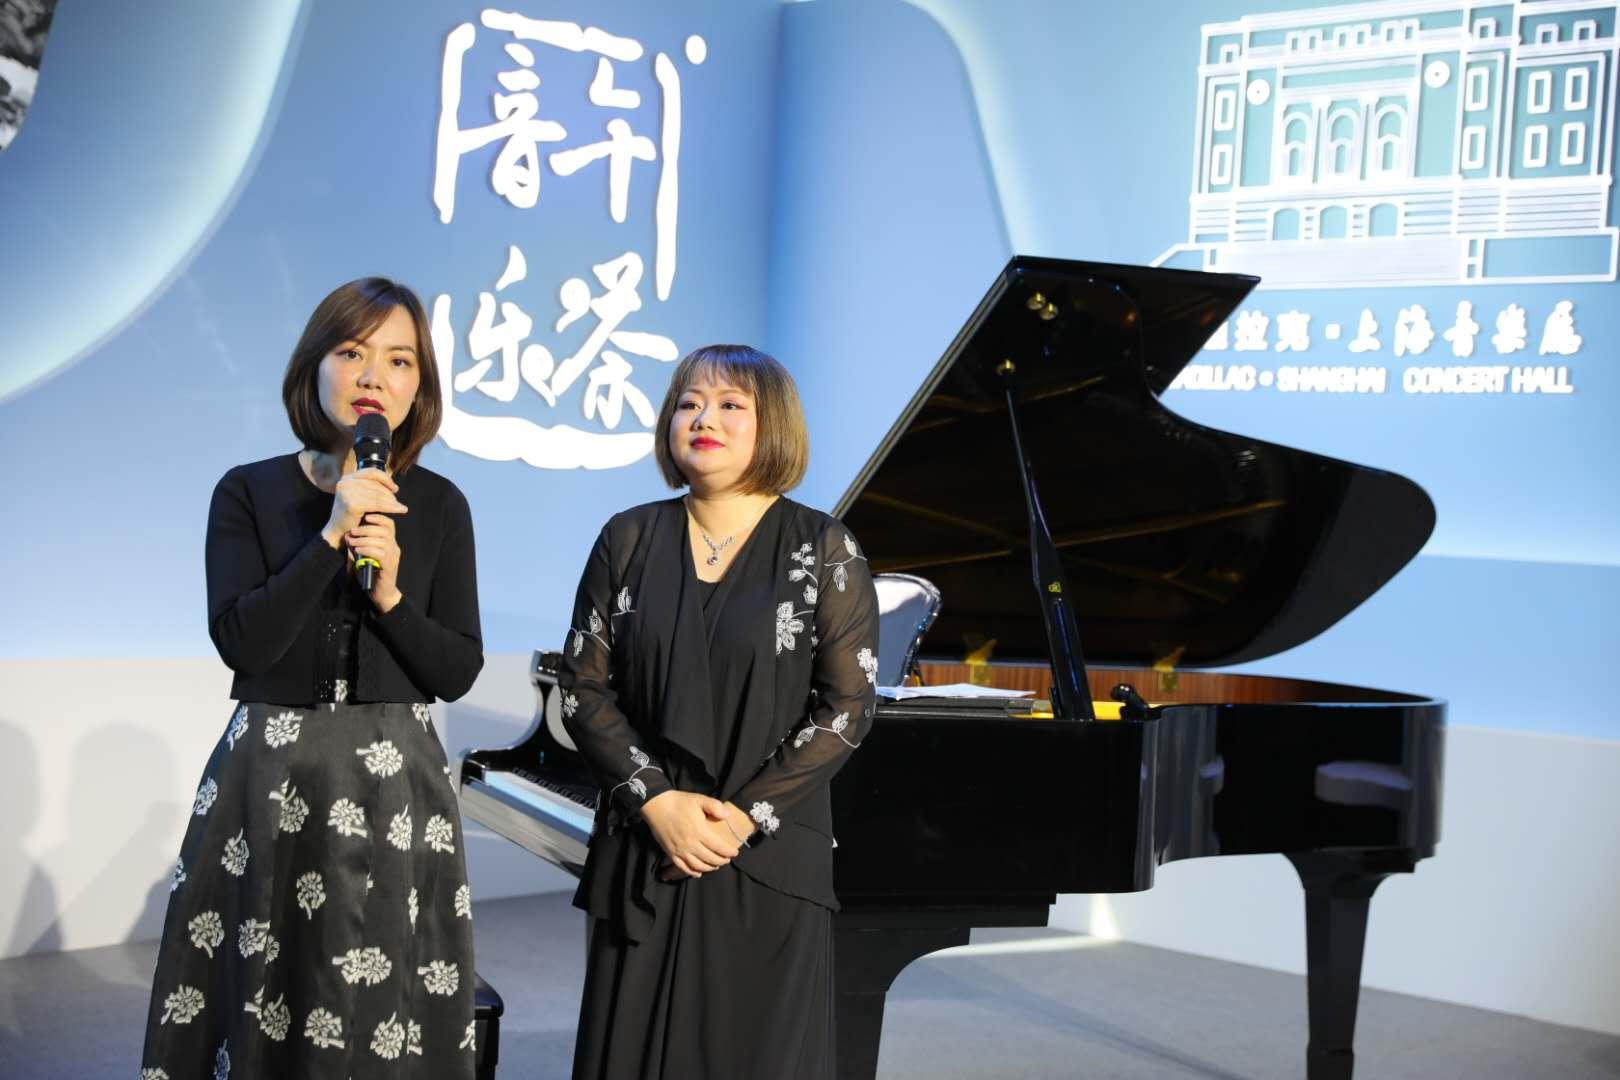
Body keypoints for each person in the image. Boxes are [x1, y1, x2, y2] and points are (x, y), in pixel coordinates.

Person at [140, 278, 484, 1079]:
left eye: (399, 360)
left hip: (397, 779)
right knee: (261, 981)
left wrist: (390, 597)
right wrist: (331, 535)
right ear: (314, 366)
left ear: (420, 387)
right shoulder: (250, 491)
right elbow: (244, 643)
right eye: (353, 351)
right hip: (274, 768)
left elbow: (456, 669)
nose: (374, 376)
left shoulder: (440, 505)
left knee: (384, 987)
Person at [560, 344, 880, 1079]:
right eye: (689, 404)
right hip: (646, 840)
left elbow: (848, 704)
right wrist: (657, 802)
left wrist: (740, 819)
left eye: (731, 404)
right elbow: (582, 687)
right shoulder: (627, 536)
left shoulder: (824, 546)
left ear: (774, 426)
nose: (704, 418)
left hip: (766, 849)